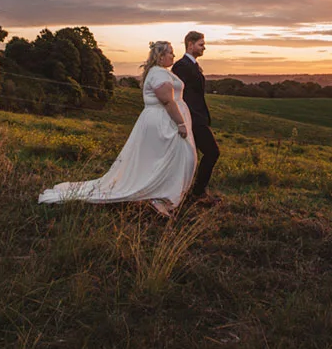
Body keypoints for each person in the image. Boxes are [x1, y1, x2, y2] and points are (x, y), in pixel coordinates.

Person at [38, 40, 197, 217]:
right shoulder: (159, 74)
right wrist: (180, 123)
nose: (173, 56)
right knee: (175, 157)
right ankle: (160, 196)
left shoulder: (161, 72)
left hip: (162, 121)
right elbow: (167, 101)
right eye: (170, 53)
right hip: (162, 123)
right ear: (160, 56)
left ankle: (161, 196)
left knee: (166, 159)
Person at [171, 30, 220, 205]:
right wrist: (187, 119)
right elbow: (181, 95)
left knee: (195, 155)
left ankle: (194, 191)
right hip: (192, 118)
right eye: (201, 44)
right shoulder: (181, 66)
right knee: (212, 152)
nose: (204, 48)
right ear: (190, 45)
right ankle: (197, 192)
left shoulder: (193, 65)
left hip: (198, 117)